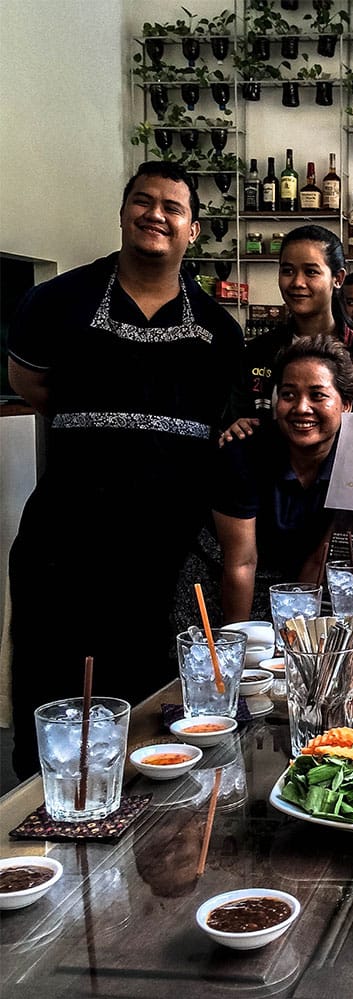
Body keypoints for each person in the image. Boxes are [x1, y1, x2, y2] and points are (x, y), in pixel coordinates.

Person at [6, 161, 243, 777]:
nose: (155, 215)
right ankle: (45, 812)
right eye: (143, 201)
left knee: (147, 707)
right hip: (65, 538)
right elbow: (29, 383)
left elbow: (223, 422)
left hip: (164, 553)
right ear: (122, 212)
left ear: (193, 229)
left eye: (172, 207)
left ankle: (138, 819)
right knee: (54, 693)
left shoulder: (219, 330)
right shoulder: (56, 301)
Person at [213, 337, 353, 623]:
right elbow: (241, 563)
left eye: (317, 395)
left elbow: (320, 556)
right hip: (225, 582)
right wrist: (240, 640)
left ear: (346, 404)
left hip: (302, 583)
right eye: (288, 395)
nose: (301, 408)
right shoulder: (243, 452)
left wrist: (297, 631)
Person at [227, 225, 353, 438]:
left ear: (338, 278)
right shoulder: (258, 351)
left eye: (311, 272)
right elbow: (236, 416)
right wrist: (238, 427)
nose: (297, 282)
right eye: (288, 271)